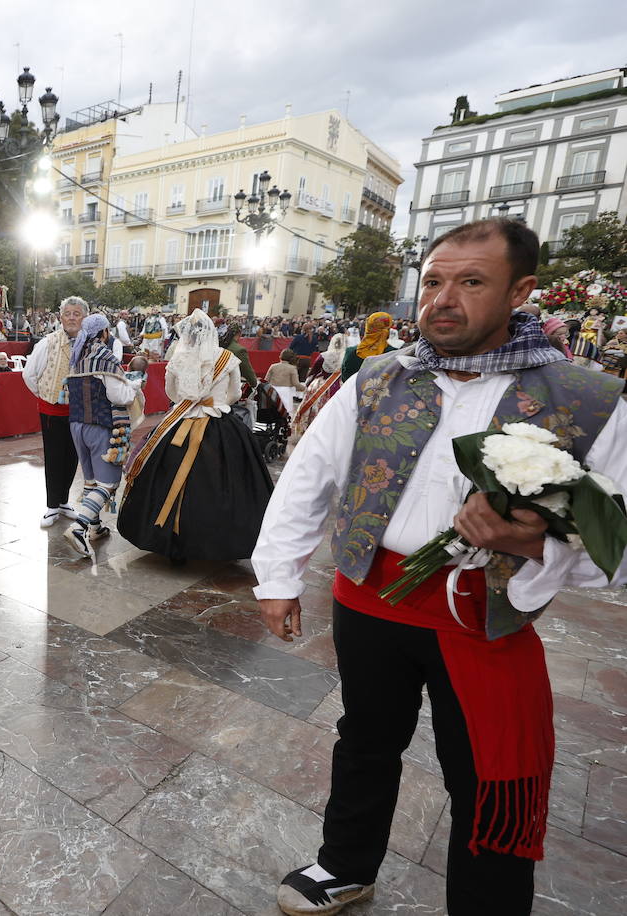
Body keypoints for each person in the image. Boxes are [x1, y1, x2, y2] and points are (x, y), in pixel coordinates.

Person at [251, 219, 627, 915]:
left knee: (488, 774)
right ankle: (346, 862)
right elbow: (308, 477)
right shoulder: (377, 378)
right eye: (432, 281)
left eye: (471, 281)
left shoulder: (588, 398)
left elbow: (619, 547)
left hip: (483, 616)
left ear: (522, 291)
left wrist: (528, 544)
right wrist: (277, 576)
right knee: (365, 737)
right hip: (368, 596)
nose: (442, 299)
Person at [118, 309, 272, 562]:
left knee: (165, 474)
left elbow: (172, 393)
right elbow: (234, 394)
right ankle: (220, 541)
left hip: (182, 421)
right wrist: (215, 401)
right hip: (220, 424)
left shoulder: (179, 359)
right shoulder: (228, 358)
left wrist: (190, 401)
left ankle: (170, 538)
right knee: (228, 480)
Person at [61, 313, 140, 558]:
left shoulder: (78, 356)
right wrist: (134, 387)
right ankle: (79, 527)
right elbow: (119, 396)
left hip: (77, 425)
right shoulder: (104, 357)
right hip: (100, 425)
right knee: (108, 482)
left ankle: (95, 527)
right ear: (105, 332)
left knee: (91, 480)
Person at [22, 295, 87, 528]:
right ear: (60, 317)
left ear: (84, 318)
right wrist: (46, 395)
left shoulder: (89, 345)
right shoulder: (47, 343)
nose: (71, 317)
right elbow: (29, 375)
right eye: (68, 313)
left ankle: (63, 501)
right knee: (54, 456)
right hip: (52, 410)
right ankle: (51, 505)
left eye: (76, 313)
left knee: (73, 457)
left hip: (80, 412)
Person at [340, 312, 397, 381]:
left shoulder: (351, 352)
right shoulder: (395, 353)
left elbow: (345, 378)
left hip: (354, 390)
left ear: (368, 327)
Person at [263, 348, 301, 415]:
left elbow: (266, 380)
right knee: (286, 413)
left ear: (280, 356)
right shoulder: (292, 368)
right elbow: (296, 384)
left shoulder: (273, 366)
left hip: (273, 391)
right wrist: (305, 389)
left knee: (273, 412)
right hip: (286, 392)